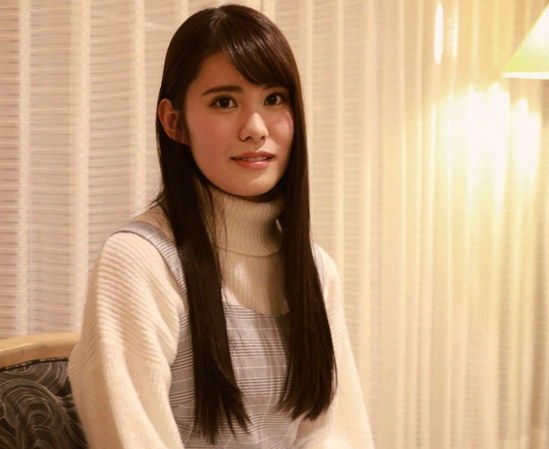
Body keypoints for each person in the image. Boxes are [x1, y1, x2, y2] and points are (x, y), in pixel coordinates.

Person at [68, 4, 373, 448]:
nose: (255, 128)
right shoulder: (139, 261)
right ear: (174, 122)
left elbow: (337, 433)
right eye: (225, 102)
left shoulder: (314, 268)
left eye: (274, 99)